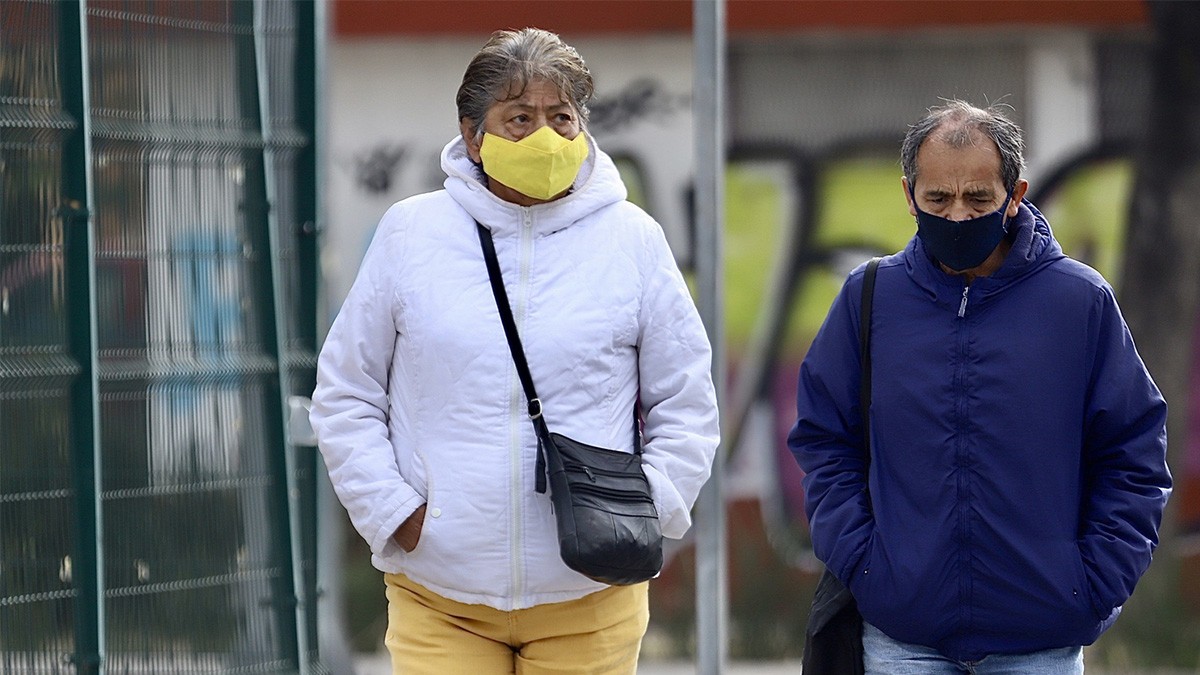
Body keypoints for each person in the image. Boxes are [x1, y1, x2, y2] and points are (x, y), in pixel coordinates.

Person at [310, 28, 718, 675]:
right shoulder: (411, 235)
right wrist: (394, 511)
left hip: (592, 593)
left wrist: (653, 501)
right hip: (440, 594)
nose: (546, 138)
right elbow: (345, 392)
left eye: (562, 117)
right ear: (473, 134)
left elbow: (686, 397)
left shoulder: (633, 240)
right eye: (519, 118)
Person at [788, 100, 1171, 674]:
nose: (959, 217)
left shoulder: (1078, 302)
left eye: (979, 199)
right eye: (938, 199)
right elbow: (825, 441)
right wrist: (867, 566)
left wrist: (1093, 584)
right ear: (909, 194)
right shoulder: (869, 300)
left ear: (1015, 195)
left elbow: (1132, 453)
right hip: (902, 639)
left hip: (1040, 641)